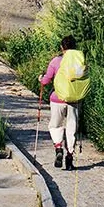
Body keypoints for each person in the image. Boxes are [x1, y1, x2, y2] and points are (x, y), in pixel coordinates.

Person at [39, 35, 90, 170]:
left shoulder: (56, 61)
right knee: (72, 128)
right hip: (75, 99)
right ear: (75, 47)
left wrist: (41, 79)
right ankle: (69, 157)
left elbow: (46, 80)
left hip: (57, 99)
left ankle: (58, 148)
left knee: (55, 125)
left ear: (62, 47)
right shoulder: (79, 62)